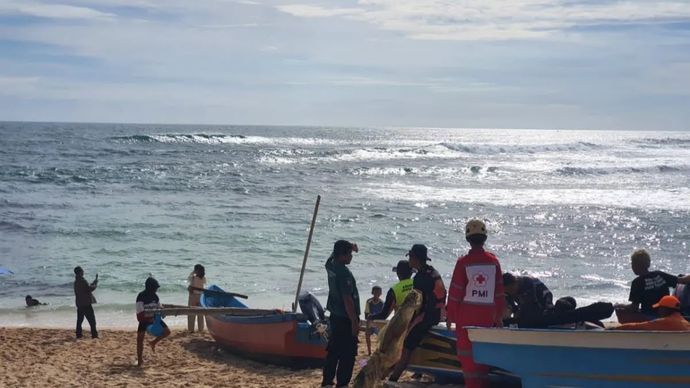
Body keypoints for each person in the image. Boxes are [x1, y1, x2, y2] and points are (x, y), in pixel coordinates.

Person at [446, 220, 505, 388]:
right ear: (484, 238)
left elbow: (456, 292)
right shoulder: (493, 261)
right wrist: (499, 315)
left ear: (468, 238)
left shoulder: (463, 262)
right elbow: (499, 292)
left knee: (467, 358)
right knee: (483, 357)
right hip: (487, 317)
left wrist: (450, 315)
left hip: (466, 318)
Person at [388, 244, 447, 382]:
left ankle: (394, 378)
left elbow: (417, 305)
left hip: (427, 316)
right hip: (439, 313)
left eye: (410, 257)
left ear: (415, 259)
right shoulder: (432, 272)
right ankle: (417, 372)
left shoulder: (420, 278)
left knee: (407, 344)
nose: (409, 261)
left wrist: (407, 323)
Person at [321, 240, 360, 388]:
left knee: (333, 351)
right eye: (349, 254)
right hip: (346, 318)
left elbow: (332, 255)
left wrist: (350, 246)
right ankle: (342, 383)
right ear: (342, 255)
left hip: (335, 316)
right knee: (348, 354)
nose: (351, 256)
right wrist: (355, 323)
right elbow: (348, 300)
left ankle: (327, 382)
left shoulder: (330, 265)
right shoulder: (344, 273)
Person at [617, 249, 690, 317]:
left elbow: (634, 308)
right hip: (667, 313)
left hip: (649, 315)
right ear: (648, 264)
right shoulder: (660, 275)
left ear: (634, 266)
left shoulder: (637, 283)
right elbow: (683, 280)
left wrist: (620, 305)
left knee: (619, 309)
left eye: (632, 264)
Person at [136, 276, 171, 367]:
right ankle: (140, 360)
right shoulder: (141, 296)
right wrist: (147, 319)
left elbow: (159, 307)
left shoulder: (155, 296)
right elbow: (139, 312)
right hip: (144, 319)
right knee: (140, 340)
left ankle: (153, 342)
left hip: (154, 318)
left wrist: (162, 311)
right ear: (150, 287)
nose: (156, 290)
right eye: (155, 288)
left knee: (167, 332)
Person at [612, 295, 690, 331]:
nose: (658, 310)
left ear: (665, 309)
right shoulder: (683, 320)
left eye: (660, 308)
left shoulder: (665, 321)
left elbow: (639, 326)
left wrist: (616, 328)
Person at [73, 266, 98, 339]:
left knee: (79, 320)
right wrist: (95, 284)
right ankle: (94, 336)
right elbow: (90, 289)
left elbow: (86, 288)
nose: (83, 272)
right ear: (80, 272)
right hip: (86, 304)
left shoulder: (76, 282)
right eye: (82, 271)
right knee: (92, 321)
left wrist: (93, 283)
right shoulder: (82, 281)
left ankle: (78, 335)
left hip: (79, 304)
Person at [364, 286, 384, 355]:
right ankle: (369, 351)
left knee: (380, 337)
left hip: (377, 322)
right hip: (370, 322)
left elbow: (382, 315)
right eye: (375, 292)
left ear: (380, 293)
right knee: (367, 334)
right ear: (372, 292)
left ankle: (379, 350)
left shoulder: (381, 303)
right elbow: (366, 314)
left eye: (378, 293)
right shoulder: (369, 302)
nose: (377, 294)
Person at [187, 264, 206, 332]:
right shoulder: (203, 278)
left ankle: (191, 329)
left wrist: (193, 272)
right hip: (201, 296)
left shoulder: (193, 277)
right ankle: (200, 328)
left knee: (191, 313)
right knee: (200, 313)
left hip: (193, 296)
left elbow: (188, 279)